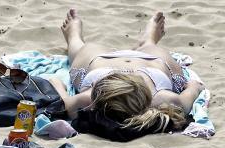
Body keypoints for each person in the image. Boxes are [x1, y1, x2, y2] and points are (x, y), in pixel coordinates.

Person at [50, 9, 203, 132]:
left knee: (81, 49)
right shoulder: (161, 100)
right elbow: (194, 88)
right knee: (82, 50)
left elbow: (191, 90)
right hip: (108, 63)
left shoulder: (91, 100)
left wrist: (193, 87)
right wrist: (193, 87)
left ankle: (74, 36)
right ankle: (148, 40)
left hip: (146, 64)